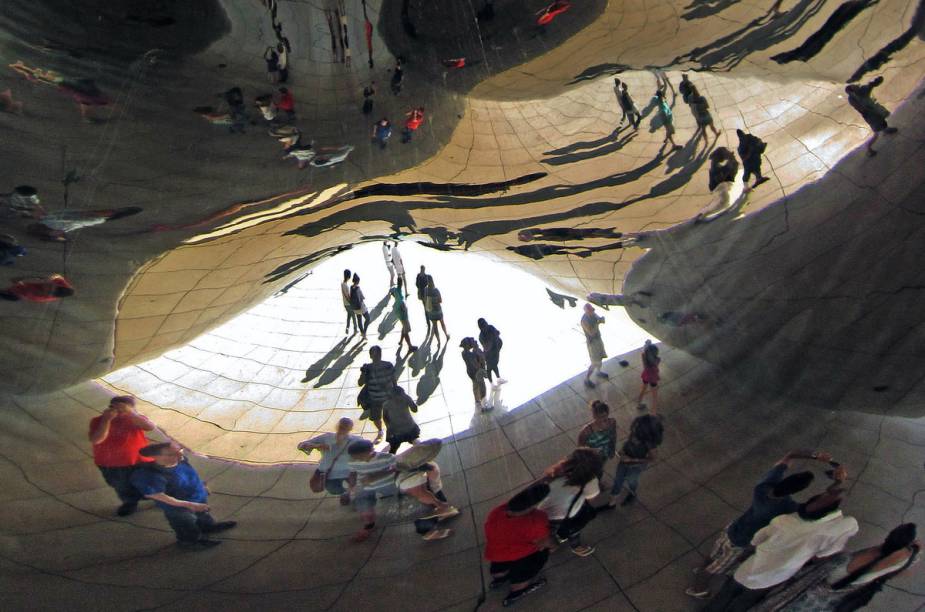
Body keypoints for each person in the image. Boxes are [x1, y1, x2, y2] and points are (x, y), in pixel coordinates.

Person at [687, 450, 832, 599]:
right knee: (715, 569)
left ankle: (701, 570)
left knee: (714, 554)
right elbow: (815, 508)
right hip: (741, 543)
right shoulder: (786, 507)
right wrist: (837, 483)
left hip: (732, 528)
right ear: (797, 490)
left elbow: (788, 456)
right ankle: (698, 588)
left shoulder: (763, 488)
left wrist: (814, 455)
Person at [704, 489, 859, 611]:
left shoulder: (783, 521)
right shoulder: (826, 533)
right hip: (775, 576)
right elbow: (820, 557)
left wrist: (743, 557)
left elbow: (756, 541)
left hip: (750, 568)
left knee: (726, 594)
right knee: (744, 602)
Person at [753, 523, 920, 612]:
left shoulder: (865, 558)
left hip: (808, 593)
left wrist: (911, 547)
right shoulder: (882, 566)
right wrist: (912, 549)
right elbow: (905, 556)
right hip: (822, 603)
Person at [131, 442, 238, 550]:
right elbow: (158, 495)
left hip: (197, 497)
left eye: (180, 451)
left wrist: (202, 485)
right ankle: (189, 542)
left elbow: (191, 473)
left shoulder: (180, 460)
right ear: (156, 456)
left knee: (203, 515)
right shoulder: (149, 475)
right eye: (172, 454)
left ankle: (207, 527)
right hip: (178, 507)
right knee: (185, 524)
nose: (180, 455)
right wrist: (190, 505)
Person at [347, 439, 456, 542]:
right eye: (355, 457)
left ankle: (432, 525)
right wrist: (352, 485)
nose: (357, 459)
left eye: (360, 456)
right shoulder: (353, 462)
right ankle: (435, 522)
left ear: (370, 451)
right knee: (415, 506)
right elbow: (352, 472)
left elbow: (397, 467)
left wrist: (375, 476)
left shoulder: (387, 458)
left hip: (391, 487)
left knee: (418, 505)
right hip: (369, 489)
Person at [484, 483, 555, 607]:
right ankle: (517, 589)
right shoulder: (536, 520)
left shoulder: (497, 511)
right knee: (541, 554)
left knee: (500, 566)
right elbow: (545, 542)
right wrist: (555, 543)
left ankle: (499, 577)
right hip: (520, 553)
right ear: (532, 506)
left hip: (496, 554)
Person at [88, 395, 155, 516]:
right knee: (122, 486)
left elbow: (150, 427)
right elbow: (96, 440)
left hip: (140, 460)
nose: (119, 412)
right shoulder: (98, 420)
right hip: (111, 463)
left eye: (123, 408)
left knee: (150, 482)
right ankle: (130, 503)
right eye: (116, 408)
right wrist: (107, 420)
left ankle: (160, 498)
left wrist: (131, 413)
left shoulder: (136, 419)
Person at [539, 448, 604, 557]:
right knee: (573, 529)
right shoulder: (590, 481)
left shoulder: (557, 471)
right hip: (563, 514)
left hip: (544, 510)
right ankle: (574, 546)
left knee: (547, 533)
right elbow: (590, 499)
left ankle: (546, 548)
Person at [297, 417, 362, 505]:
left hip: (349, 471)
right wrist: (316, 446)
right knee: (333, 489)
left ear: (350, 429)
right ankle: (346, 493)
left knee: (356, 486)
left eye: (345, 427)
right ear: (337, 426)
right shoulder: (327, 437)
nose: (342, 429)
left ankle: (351, 495)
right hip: (330, 472)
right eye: (341, 427)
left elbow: (368, 449)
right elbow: (301, 445)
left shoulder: (356, 440)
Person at [605, 410, 663, 507]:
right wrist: (622, 451)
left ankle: (632, 493)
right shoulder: (635, 432)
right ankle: (613, 501)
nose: (634, 428)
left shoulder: (649, 444)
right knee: (618, 479)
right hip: (625, 459)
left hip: (636, 466)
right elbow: (628, 443)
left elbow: (652, 458)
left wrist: (632, 460)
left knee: (632, 481)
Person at [845, 76, 898, 156]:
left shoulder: (861, 90)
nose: (856, 86)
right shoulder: (852, 99)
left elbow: (869, 86)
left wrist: (874, 83)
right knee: (876, 133)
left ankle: (886, 130)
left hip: (874, 111)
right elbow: (860, 108)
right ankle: (869, 149)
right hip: (870, 115)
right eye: (854, 87)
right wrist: (868, 109)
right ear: (852, 91)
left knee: (882, 122)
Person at [358, 345, 395, 443]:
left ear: (380, 355)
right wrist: (363, 373)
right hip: (374, 398)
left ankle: (389, 432)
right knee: (376, 417)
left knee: (388, 416)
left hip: (387, 397)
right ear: (370, 356)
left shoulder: (388, 365)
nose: (376, 357)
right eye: (374, 355)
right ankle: (380, 431)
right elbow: (360, 383)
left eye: (377, 354)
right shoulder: (368, 368)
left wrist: (395, 390)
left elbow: (393, 378)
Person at [381, 382, 420, 454]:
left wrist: (410, 401)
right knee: (394, 448)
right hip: (402, 429)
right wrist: (389, 428)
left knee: (394, 448)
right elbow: (385, 417)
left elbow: (414, 410)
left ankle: (421, 454)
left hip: (403, 429)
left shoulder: (388, 403)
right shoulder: (388, 404)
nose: (400, 397)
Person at [581, 303, 608, 388]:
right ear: (586, 311)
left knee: (600, 357)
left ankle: (598, 372)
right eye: (591, 310)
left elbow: (599, 319)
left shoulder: (593, 314)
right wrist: (598, 323)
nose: (593, 311)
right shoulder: (584, 321)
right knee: (594, 362)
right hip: (592, 343)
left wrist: (601, 320)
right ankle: (587, 379)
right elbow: (591, 332)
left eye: (593, 310)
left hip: (598, 340)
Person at [0, 274, 74, 302]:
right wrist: (51, 278)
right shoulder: (65, 286)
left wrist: (19, 282)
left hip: (17, 292)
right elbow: (58, 276)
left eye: (48, 288)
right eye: (51, 285)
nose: (48, 285)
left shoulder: (37, 296)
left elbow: (20, 291)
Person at [461, 337, 489, 411]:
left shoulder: (464, 353)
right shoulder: (470, 354)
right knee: (482, 388)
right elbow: (479, 361)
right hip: (476, 373)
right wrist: (476, 348)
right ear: (467, 345)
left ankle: (477, 401)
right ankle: (484, 406)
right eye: (470, 343)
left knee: (475, 386)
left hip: (470, 373)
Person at [392, 279, 417, 355]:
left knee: (404, 327)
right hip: (402, 314)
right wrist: (404, 309)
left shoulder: (396, 290)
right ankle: (410, 346)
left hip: (398, 312)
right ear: (401, 283)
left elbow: (392, 292)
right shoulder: (398, 291)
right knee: (406, 330)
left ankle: (401, 341)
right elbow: (401, 303)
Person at [653, 85, 681, 149]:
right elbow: (664, 114)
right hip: (667, 121)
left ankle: (666, 139)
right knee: (670, 132)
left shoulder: (659, 99)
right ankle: (674, 145)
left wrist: (659, 88)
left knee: (669, 131)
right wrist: (667, 120)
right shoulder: (662, 106)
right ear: (661, 96)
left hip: (667, 120)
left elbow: (657, 95)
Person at [424, 275, 449, 343]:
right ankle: (446, 335)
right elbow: (440, 300)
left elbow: (425, 299)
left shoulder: (426, 289)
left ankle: (438, 341)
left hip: (431, 311)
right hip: (438, 310)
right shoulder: (436, 290)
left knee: (435, 327)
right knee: (442, 323)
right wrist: (435, 301)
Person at [636, 340, 660, 411]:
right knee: (655, 396)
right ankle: (654, 412)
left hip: (646, 375)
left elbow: (645, 351)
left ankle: (639, 404)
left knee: (643, 390)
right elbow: (656, 365)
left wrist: (647, 345)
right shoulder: (657, 359)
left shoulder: (644, 356)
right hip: (653, 378)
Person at [477, 318, 503, 382]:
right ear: (480, 327)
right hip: (489, 353)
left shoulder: (490, 327)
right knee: (490, 367)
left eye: (485, 323)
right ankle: (492, 382)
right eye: (483, 325)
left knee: (494, 365)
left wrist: (493, 339)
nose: (485, 326)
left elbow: (498, 333)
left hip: (496, 348)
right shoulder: (481, 336)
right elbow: (486, 347)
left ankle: (498, 378)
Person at [341, 268, 357, 334]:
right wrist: (352, 302)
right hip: (348, 304)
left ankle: (347, 328)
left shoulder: (342, 284)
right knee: (353, 316)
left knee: (349, 316)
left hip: (345, 303)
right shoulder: (345, 285)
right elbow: (347, 296)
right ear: (348, 276)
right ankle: (355, 329)